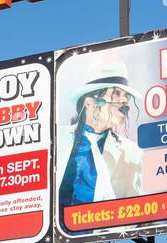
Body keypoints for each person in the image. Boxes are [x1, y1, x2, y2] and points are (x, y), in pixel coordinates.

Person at [58, 62, 144, 207]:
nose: (124, 101)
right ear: (90, 102)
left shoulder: (132, 152)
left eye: (126, 96)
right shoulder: (55, 139)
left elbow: (136, 208)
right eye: (116, 94)